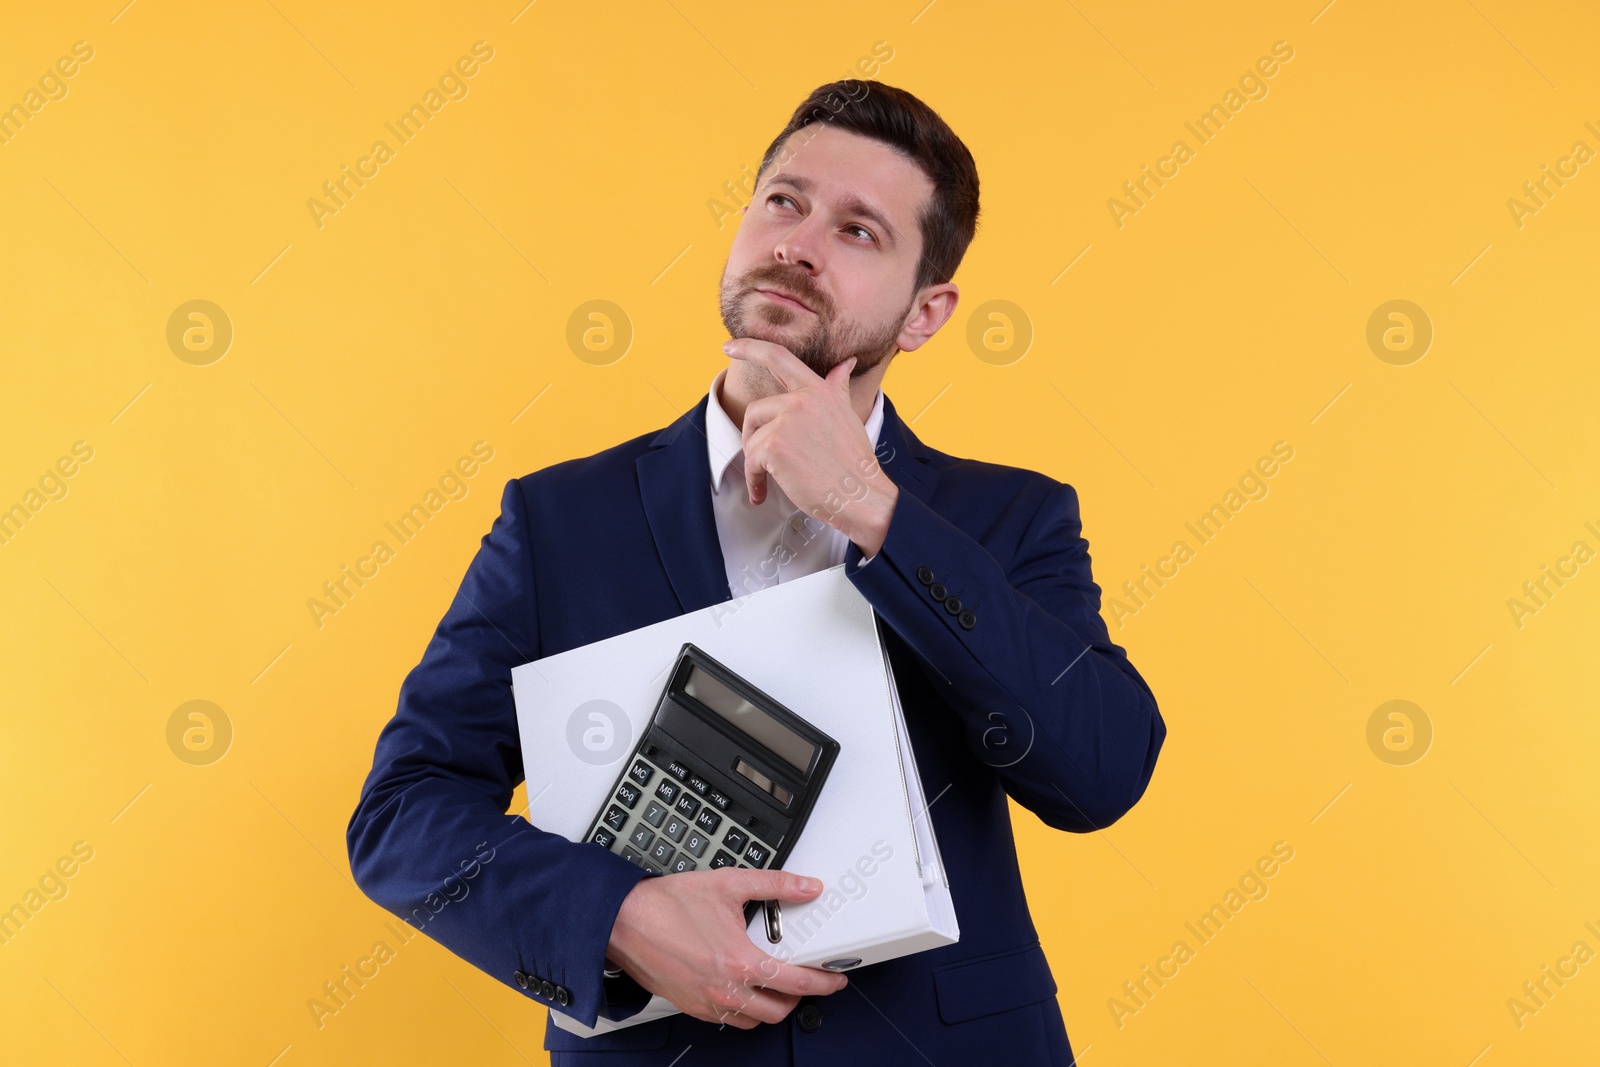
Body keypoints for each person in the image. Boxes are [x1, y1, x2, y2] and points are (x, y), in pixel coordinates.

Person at [347, 79, 1165, 1065]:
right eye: (784, 200)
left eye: (859, 231)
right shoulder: (559, 519)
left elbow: (1101, 769)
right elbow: (405, 809)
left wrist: (876, 512)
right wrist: (614, 915)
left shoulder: (1007, 517)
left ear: (924, 313)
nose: (798, 244)